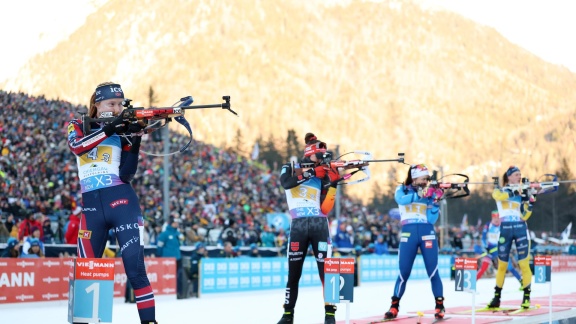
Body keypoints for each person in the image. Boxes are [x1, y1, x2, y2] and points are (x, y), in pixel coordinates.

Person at [67, 82, 157, 324]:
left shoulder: (122, 130)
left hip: (122, 204)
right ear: (97, 105)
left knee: (136, 271)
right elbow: (77, 147)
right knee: (85, 273)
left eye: (120, 104)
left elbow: (126, 174)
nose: (117, 108)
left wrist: (135, 141)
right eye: (111, 104)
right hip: (91, 210)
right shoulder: (77, 125)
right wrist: (109, 130)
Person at [276, 132, 341, 324]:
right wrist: (311, 173)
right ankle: (288, 314)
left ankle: (330, 314)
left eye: (324, 156)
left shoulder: (323, 174)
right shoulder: (291, 167)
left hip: (318, 224)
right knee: (293, 273)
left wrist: (333, 184)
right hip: (298, 225)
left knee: (327, 271)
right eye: (319, 156)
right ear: (309, 153)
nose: (322, 159)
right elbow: (286, 183)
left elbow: (325, 208)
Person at [384, 164, 446, 320]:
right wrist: (421, 194)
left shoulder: (428, 192)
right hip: (408, 233)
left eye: (427, 179)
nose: (426, 181)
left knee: (433, 271)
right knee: (403, 273)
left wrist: (435, 201)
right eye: (424, 178)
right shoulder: (402, 189)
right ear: (415, 177)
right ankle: (394, 306)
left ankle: (439, 305)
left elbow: (431, 219)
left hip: (427, 232)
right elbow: (400, 200)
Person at [487, 166, 536, 310]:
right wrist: (512, 190)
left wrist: (531, 202)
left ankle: (526, 298)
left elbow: (525, 216)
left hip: (521, 229)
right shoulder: (500, 190)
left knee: (524, 264)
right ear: (508, 177)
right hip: (506, 229)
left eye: (520, 175)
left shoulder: (522, 193)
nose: (519, 177)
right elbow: (498, 196)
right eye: (516, 175)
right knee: (502, 266)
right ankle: (497, 298)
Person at [476, 211, 523, 287]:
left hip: (500, 249)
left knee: (509, 267)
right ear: (492, 218)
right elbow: (483, 238)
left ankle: (522, 282)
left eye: (498, 218)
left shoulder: (503, 225)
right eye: (494, 218)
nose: (496, 220)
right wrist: (486, 248)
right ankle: (472, 283)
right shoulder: (488, 225)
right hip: (490, 250)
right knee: (484, 267)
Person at [157, 217, 184, 299]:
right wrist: (159, 256)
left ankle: (179, 293)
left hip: (177, 258)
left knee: (179, 276)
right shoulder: (165, 234)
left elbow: (181, 243)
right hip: (167, 259)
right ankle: (165, 292)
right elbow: (159, 246)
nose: (176, 224)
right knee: (167, 276)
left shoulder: (178, 234)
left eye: (177, 223)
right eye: (175, 223)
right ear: (171, 223)